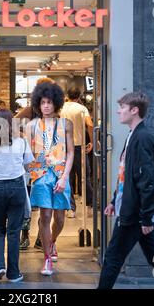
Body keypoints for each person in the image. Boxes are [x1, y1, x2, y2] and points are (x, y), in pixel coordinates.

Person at [98, 92, 154, 289]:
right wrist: (113, 200)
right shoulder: (133, 135)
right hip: (134, 210)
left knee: (113, 258)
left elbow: (147, 180)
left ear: (134, 110)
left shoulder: (142, 137)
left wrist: (146, 216)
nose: (118, 111)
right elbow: (126, 176)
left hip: (134, 214)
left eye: (122, 107)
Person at [0, 109, 34, 282]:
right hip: (17, 187)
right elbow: (28, 165)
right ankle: (14, 273)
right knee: (14, 230)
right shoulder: (22, 142)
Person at [26, 82, 74, 276]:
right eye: (43, 102)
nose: (46, 105)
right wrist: (31, 171)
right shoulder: (31, 125)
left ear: (56, 103)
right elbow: (27, 153)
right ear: (38, 103)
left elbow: (71, 153)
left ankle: (52, 241)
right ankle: (47, 260)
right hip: (40, 175)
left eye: (49, 102)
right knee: (45, 216)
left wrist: (64, 177)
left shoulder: (66, 124)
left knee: (60, 218)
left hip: (61, 173)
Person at [14, 77, 54, 251]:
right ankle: (27, 235)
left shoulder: (53, 112)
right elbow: (13, 123)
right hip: (30, 162)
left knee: (43, 204)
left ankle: (40, 237)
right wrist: (24, 138)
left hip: (46, 163)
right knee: (28, 201)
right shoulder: (30, 110)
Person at [60, 87, 94, 218]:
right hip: (79, 146)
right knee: (85, 176)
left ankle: (71, 209)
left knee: (67, 177)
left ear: (67, 95)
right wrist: (92, 141)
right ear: (79, 96)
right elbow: (90, 124)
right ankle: (89, 205)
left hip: (65, 147)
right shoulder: (82, 108)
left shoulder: (61, 108)